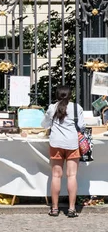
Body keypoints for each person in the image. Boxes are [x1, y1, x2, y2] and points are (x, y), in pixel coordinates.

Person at [41, 85, 84, 218]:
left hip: (56, 143)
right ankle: (71, 209)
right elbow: (81, 126)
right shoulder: (77, 108)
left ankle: (54, 208)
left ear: (57, 95)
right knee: (71, 176)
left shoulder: (51, 107)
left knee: (56, 175)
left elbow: (45, 125)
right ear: (70, 95)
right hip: (72, 144)